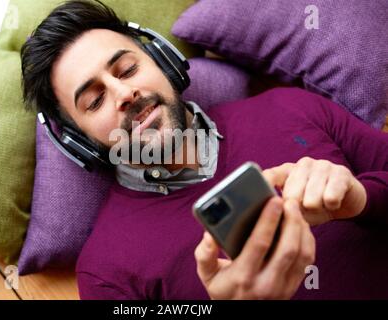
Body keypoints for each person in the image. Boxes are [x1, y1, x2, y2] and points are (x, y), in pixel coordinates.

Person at [20, 0, 388, 299]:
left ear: (164, 63)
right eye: (95, 100)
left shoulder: (290, 107)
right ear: (78, 141)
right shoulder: (106, 274)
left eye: (128, 68)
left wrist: (361, 199)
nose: (123, 94)